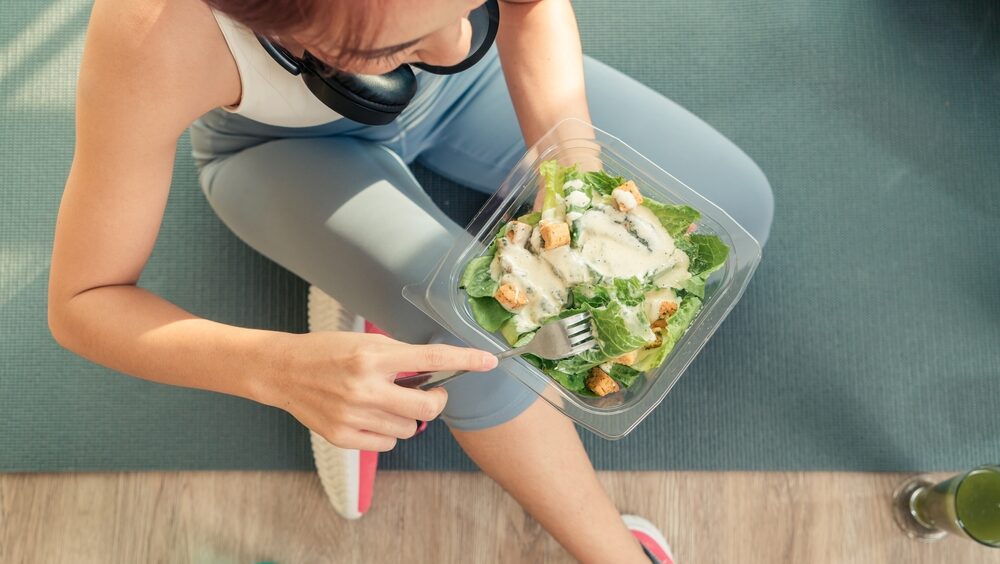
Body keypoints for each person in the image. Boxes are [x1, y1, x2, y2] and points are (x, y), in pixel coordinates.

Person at [47, 0, 773, 561]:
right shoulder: (153, 35)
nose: (454, 45)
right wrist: (278, 370)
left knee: (733, 211)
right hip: (278, 148)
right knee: (480, 352)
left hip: (472, 95)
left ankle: (375, 279)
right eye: (395, 45)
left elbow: (525, 11)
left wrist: (574, 180)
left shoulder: (453, 33)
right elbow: (82, 303)